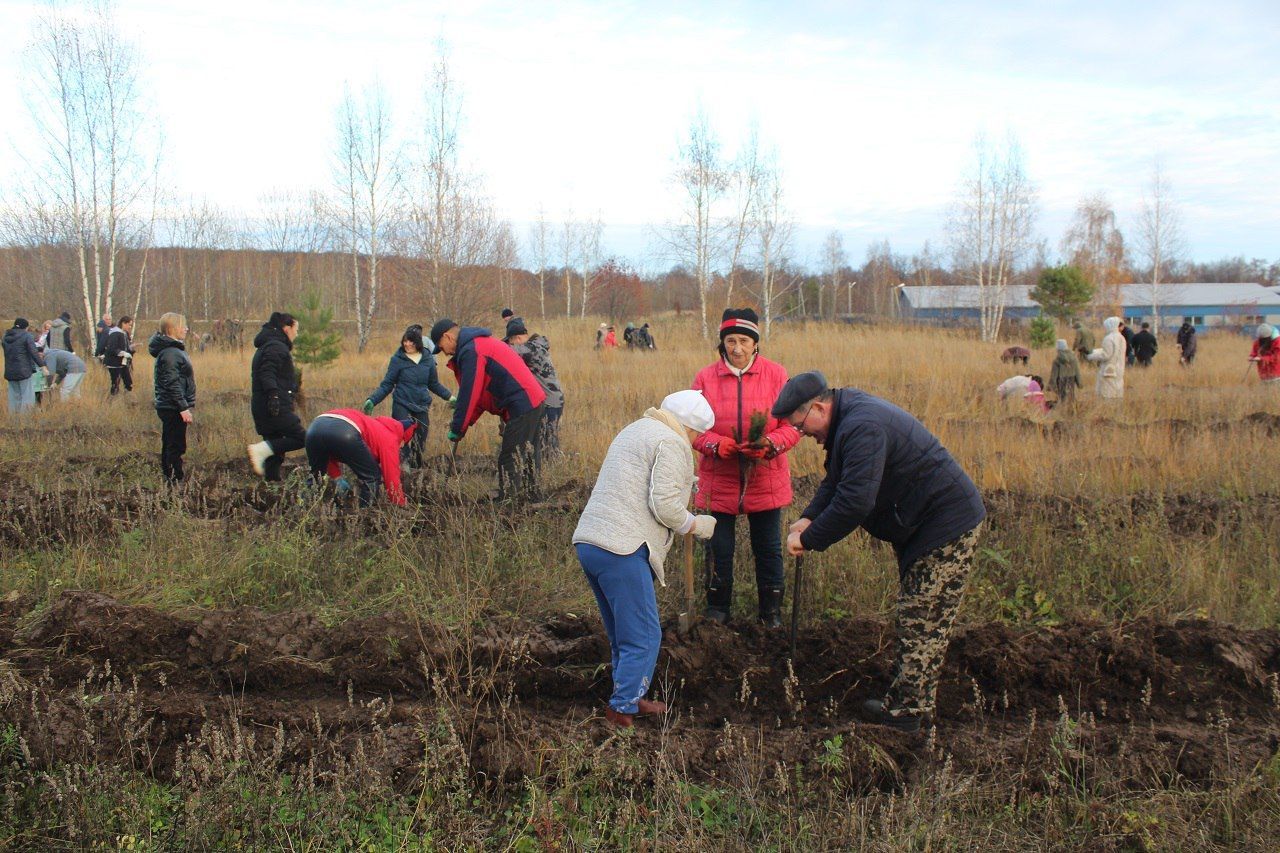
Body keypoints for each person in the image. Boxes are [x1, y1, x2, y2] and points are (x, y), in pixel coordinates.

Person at [775, 371, 986, 732]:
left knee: (922, 617)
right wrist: (809, 518)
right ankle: (913, 697)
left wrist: (810, 540)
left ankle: (907, 716)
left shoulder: (862, 427)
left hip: (945, 525)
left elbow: (855, 501)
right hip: (922, 525)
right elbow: (838, 481)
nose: (803, 435)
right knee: (920, 614)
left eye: (801, 425)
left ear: (819, 407)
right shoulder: (848, 419)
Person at [572, 389, 718, 728]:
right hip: (622, 546)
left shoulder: (637, 429)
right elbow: (664, 505)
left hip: (591, 542)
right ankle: (622, 709)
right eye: (697, 436)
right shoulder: (673, 442)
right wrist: (694, 524)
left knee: (623, 630)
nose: (695, 443)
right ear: (690, 428)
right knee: (644, 634)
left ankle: (628, 695)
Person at [690, 308, 801, 627]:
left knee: (767, 548)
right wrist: (715, 444)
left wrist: (770, 444)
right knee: (718, 549)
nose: (736, 348)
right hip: (718, 479)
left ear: (756, 344)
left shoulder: (777, 375)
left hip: (765, 478)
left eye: (743, 341)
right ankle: (717, 612)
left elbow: (794, 425)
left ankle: (771, 614)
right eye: (730, 341)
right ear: (721, 343)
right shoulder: (705, 378)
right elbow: (692, 428)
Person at [430, 319, 547, 500]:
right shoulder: (476, 345)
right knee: (528, 455)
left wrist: (457, 427)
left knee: (510, 457)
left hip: (523, 403)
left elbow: (469, 394)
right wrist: (463, 424)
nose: (444, 352)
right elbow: (479, 398)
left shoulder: (472, 351)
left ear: (448, 336)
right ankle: (532, 499)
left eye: (441, 346)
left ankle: (508, 506)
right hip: (531, 401)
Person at [362, 324, 453, 471]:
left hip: (422, 404)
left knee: (420, 441)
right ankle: (400, 468)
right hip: (402, 403)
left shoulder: (428, 359)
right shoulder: (397, 359)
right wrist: (372, 400)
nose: (407, 344)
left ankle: (416, 470)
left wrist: (450, 397)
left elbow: (433, 384)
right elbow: (387, 384)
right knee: (401, 438)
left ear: (418, 342)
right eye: (405, 341)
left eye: (411, 341)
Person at [305, 409, 415, 507]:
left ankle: (301, 510)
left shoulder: (372, 425)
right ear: (402, 437)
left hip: (314, 429)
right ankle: (364, 515)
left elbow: (327, 450)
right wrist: (399, 502)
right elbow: (391, 475)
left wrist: (337, 477)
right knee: (372, 477)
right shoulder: (390, 437)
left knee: (315, 477)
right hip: (344, 430)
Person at [248, 312, 306, 482]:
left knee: (275, 452)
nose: (297, 334)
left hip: (265, 405)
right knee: (302, 438)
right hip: (275, 406)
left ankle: (272, 487)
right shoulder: (276, 347)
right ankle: (260, 450)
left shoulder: (269, 345)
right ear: (287, 329)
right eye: (296, 329)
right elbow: (267, 373)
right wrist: (274, 396)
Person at [504, 318, 566, 454]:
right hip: (554, 399)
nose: (510, 344)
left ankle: (553, 468)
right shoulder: (536, 346)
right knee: (546, 438)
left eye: (511, 341)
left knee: (548, 441)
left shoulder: (531, 349)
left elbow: (506, 351)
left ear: (518, 338)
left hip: (550, 402)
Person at [150, 313, 196, 485]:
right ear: (172, 328)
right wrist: (183, 407)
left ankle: (172, 477)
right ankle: (174, 480)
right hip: (172, 407)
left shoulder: (172, 350)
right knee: (174, 445)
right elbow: (172, 383)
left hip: (171, 405)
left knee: (172, 442)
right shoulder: (171, 353)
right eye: (183, 326)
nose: (186, 329)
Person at [4, 319, 46, 415]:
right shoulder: (26, 336)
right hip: (24, 371)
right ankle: (25, 422)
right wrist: (42, 365)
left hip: (10, 371)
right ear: (26, 327)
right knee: (27, 396)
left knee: (14, 397)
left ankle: (14, 422)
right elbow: (34, 352)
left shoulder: (5, 336)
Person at [1088, 316, 1126, 399]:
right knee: (1117, 389)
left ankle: (1107, 409)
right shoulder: (1121, 337)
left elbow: (1106, 355)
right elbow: (1115, 351)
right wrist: (1097, 351)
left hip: (1108, 370)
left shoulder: (1108, 338)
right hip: (1119, 367)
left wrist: (1091, 356)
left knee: (1107, 392)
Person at [102, 316, 137, 395]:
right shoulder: (115, 333)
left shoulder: (123, 333)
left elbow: (123, 347)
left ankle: (127, 399)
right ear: (123, 323)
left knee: (128, 382)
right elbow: (112, 348)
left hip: (122, 363)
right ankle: (113, 400)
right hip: (114, 363)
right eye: (129, 325)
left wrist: (130, 350)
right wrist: (123, 353)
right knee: (115, 383)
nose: (130, 327)